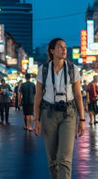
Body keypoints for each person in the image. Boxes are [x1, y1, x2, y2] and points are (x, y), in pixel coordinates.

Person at [33, 38, 85, 179]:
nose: (64, 50)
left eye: (65, 47)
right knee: (52, 159)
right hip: (48, 113)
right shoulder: (43, 70)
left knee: (65, 158)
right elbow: (38, 96)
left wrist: (82, 119)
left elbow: (78, 95)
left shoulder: (73, 69)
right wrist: (36, 120)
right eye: (60, 47)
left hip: (68, 114)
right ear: (52, 50)